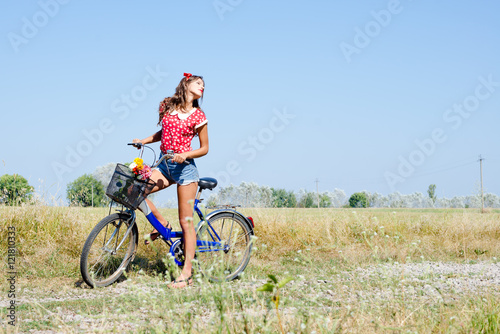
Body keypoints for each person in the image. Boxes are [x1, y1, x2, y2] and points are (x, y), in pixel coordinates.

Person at [133, 72, 208, 288]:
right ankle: (162, 226)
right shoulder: (169, 107)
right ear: (187, 84)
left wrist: (186, 154)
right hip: (165, 165)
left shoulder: (198, 116)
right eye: (198, 83)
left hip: (185, 171)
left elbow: (205, 148)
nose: (202, 87)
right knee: (137, 192)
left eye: (204, 85)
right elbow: (162, 132)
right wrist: (143, 140)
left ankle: (187, 272)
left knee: (186, 223)